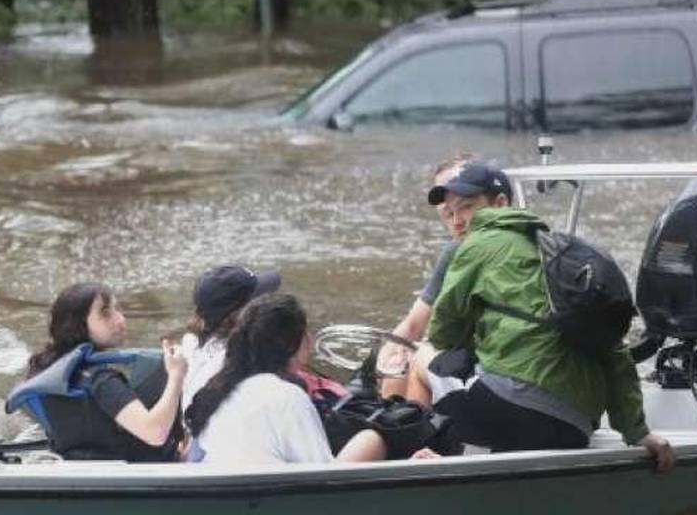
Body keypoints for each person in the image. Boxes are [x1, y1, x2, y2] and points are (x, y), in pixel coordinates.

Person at [413, 163, 677, 471]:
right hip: (575, 427)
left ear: (500, 203)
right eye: (452, 213)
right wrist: (638, 432)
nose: (459, 221)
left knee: (421, 356)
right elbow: (614, 350)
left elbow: (443, 333)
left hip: (512, 410)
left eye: (468, 208)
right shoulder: (559, 254)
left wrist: (473, 335)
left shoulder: (477, 244)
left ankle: (422, 455)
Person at [184, 293, 393, 464]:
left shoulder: (219, 387)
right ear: (296, 342)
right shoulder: (288, 396)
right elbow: (323, 473)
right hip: (275, 504)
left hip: (234, 496)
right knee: (371, 440)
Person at [9, 282, 187, 461]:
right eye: (105, 313)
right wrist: (176, 375)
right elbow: (155, 433)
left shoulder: (56, 375)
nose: (120, 320)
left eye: (117, 309)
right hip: (130, 476)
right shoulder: (101, 380)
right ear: (78, 325)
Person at [377, 154, 500, 397]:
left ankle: (402, 429)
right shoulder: (532, 237)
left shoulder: (461, 250)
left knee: (411, 361)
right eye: (447, 208)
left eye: (464, 203)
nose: (454, 214)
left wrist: (387, 362)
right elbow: (415, 324)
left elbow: (430, 331)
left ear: (497, 203)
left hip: (493, 375)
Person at [179, 265, 281, 411]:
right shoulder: (239, 362)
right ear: (235, 314)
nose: (265, 303)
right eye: (257, 299)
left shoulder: (193, 341)